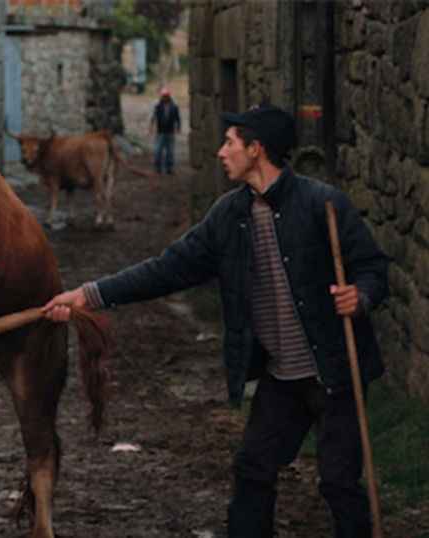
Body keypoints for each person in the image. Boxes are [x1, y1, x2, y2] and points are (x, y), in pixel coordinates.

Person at [43, 103, 388, 538]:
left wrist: (361, 296)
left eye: (230, 142)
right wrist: (87, 296)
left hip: (338, 372)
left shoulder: (324, 204)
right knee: (252, 470)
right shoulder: (229, 216)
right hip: (283, 378)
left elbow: (373, 268)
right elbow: (166, 268)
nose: (221, 152)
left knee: (339, 482)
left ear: (256, 149)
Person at [148, 86, 181, 175]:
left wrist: (178, 126)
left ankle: (169, 167)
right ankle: (158, 167)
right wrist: (151, 124)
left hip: (170, 131)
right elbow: (153, 115)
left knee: (170, 151)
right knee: (158, 150)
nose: (165, 97)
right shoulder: (157, 105)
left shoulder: (174, 105)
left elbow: (177, 117)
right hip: (160, 131)